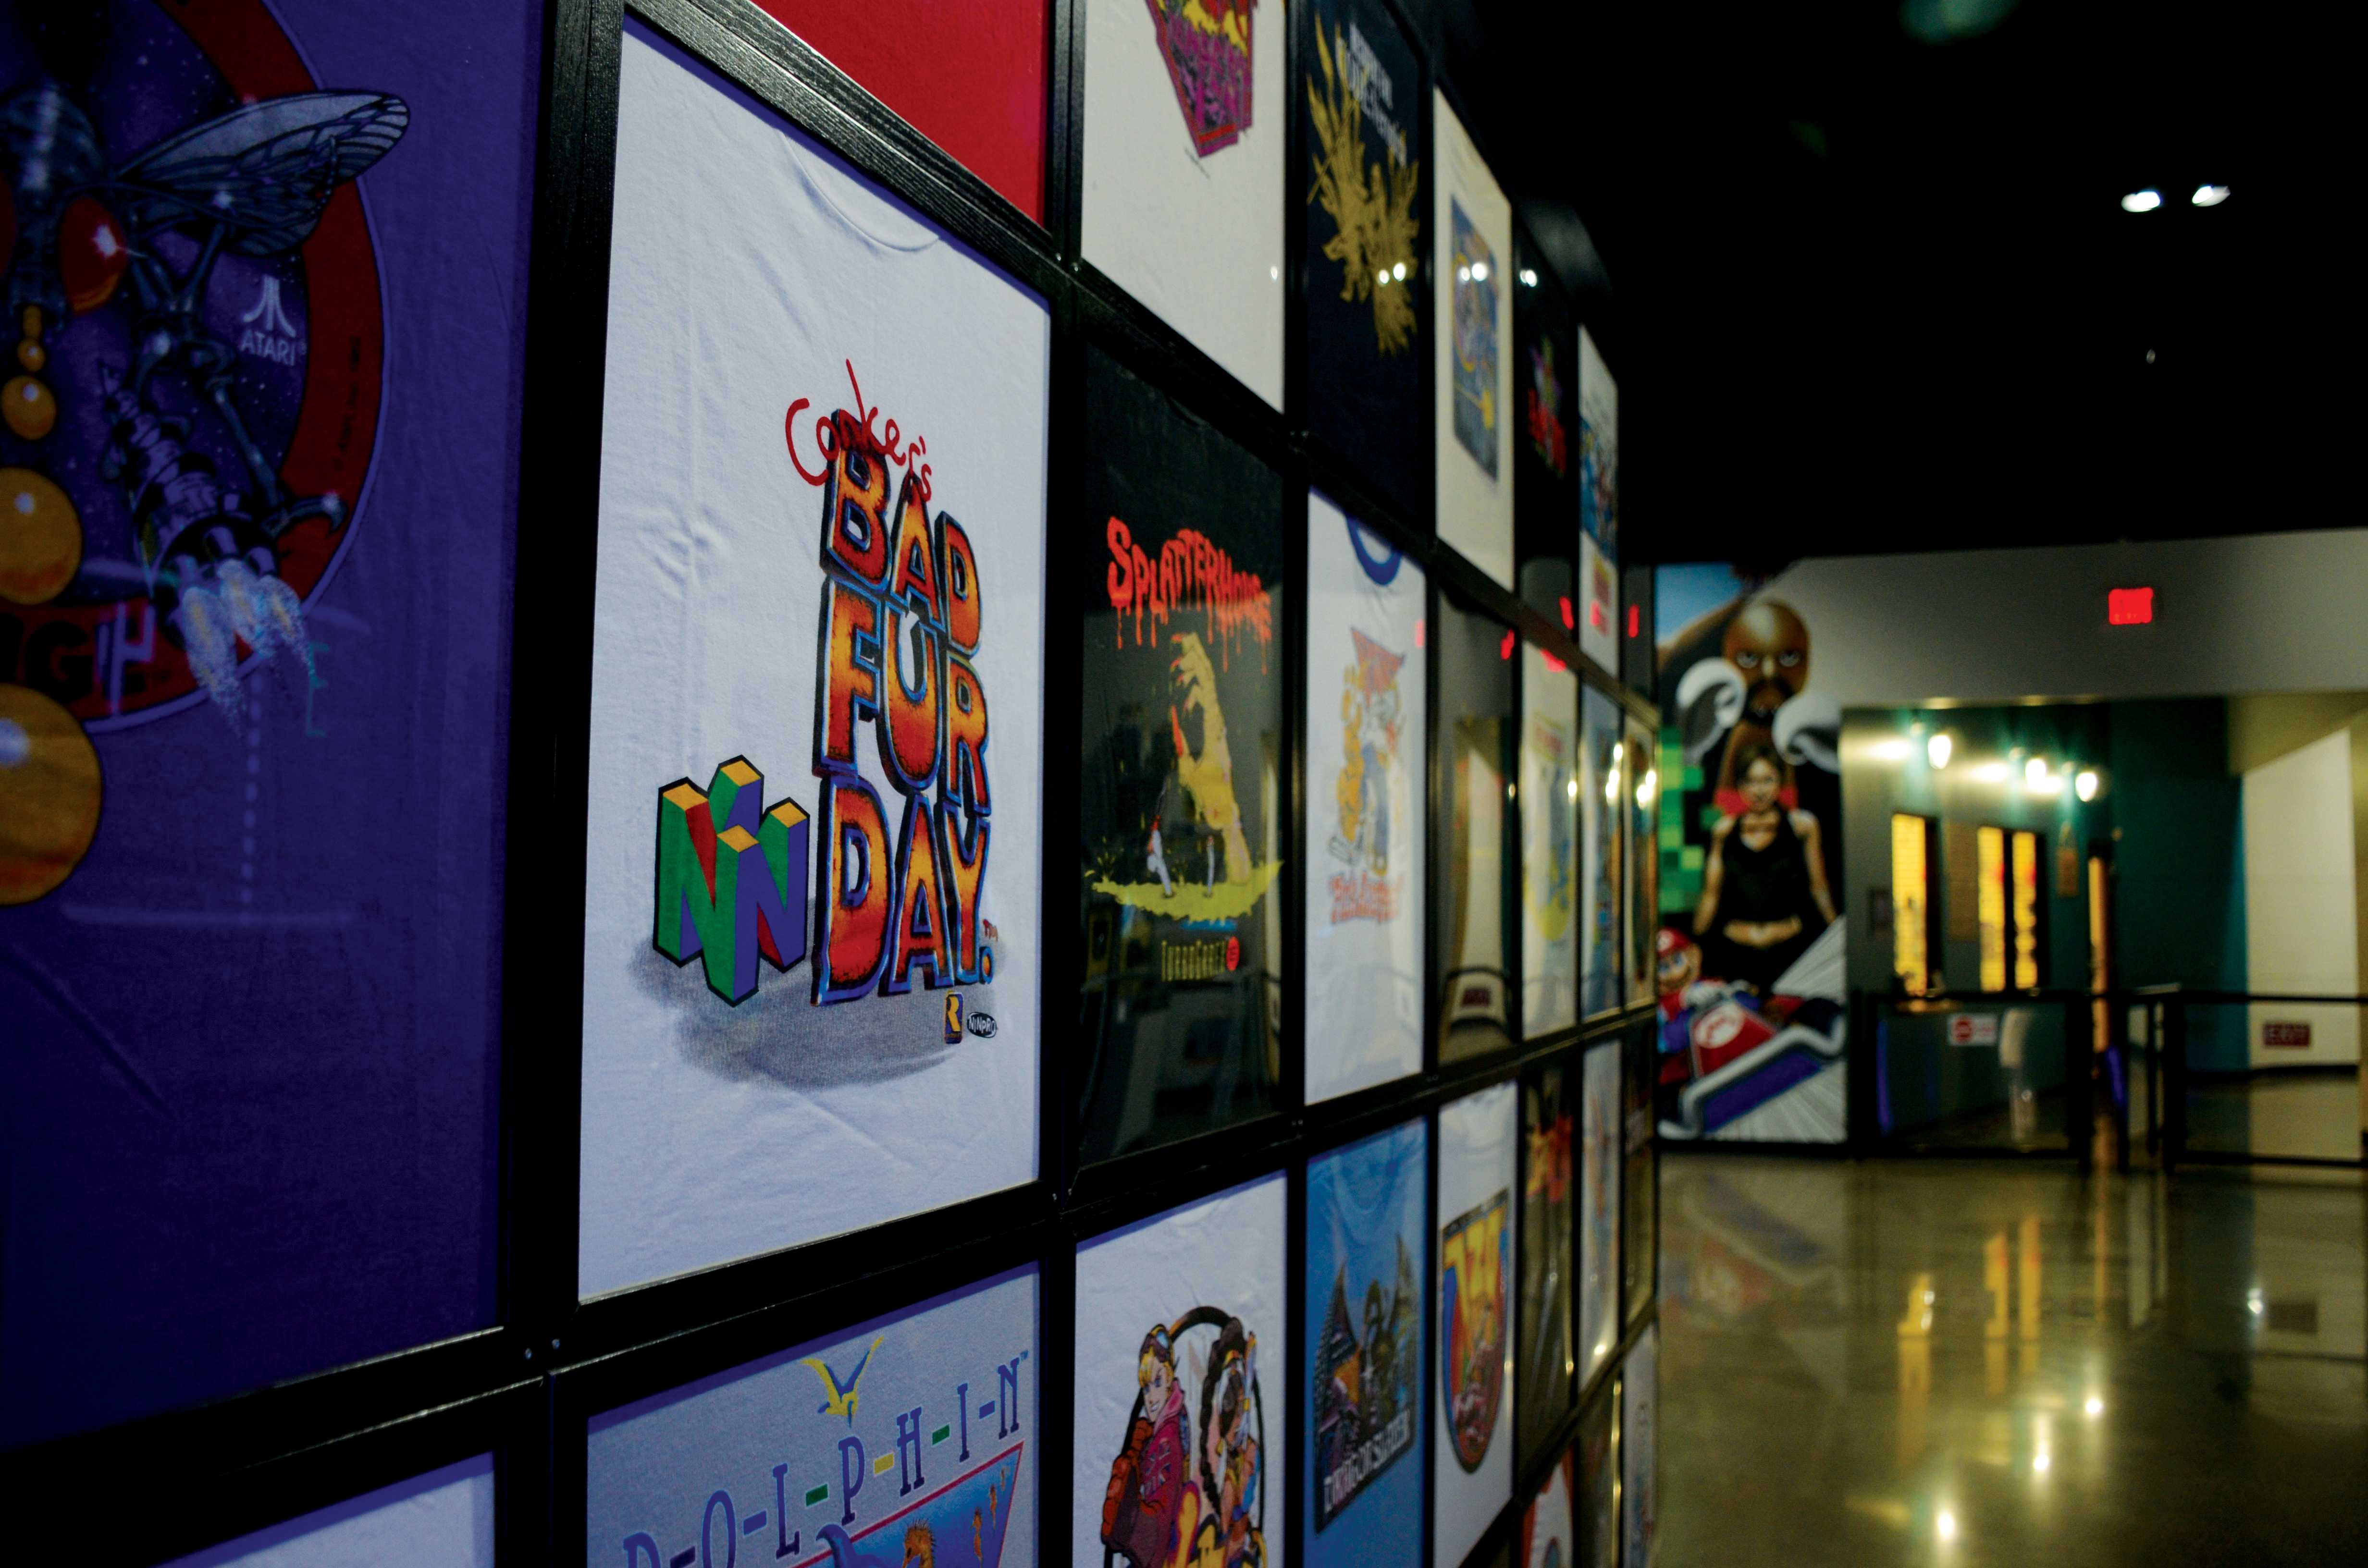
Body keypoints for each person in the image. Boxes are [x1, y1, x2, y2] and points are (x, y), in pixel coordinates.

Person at [1691, 742, 1834, 994]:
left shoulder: (1802, 826)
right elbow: (1710, 894)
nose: (1759, 791)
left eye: (1767, 780)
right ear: (1740, 785)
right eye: (1751, 781)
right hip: (1736, 957)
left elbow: (1819, 887)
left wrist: (1836, 932)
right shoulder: (1724, 830)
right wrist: (1694, 942)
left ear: (1780, 781)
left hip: (1789, 953)